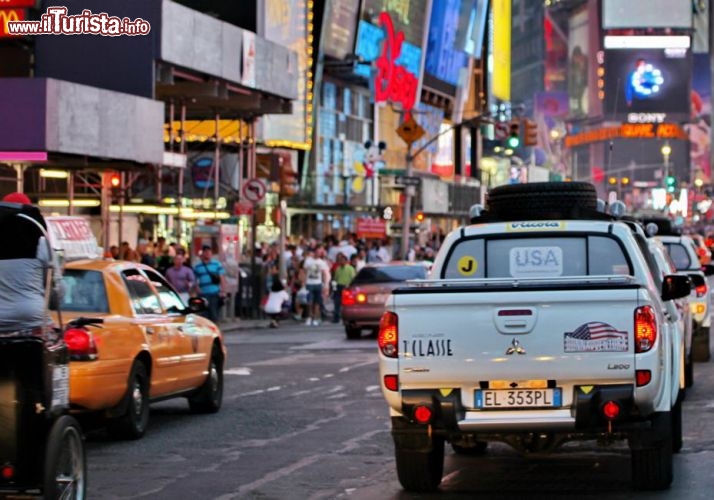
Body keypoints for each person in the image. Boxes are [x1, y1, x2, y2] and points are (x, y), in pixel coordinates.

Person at [193, 245, 227, 323]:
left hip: (214, 293)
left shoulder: (217, 264)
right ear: (203, 253)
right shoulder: (197, 266)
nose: (207, 253)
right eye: (205, 252)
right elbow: (195, 279)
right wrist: (197, 288)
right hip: (203, 294)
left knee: (214, 314)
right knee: (204, 315)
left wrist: (223, 291)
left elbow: (222, 278)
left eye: (209, 252)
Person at [302, 247, 330, 326]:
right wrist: (304, 282)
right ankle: (309, 317)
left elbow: (324, 273)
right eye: (317, 252)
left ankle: (315, 318)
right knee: (309, 302)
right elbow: (304, 272)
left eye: (320, 253)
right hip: (309, 283)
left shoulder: (322, 262)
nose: (318, 254)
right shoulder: (308, 261)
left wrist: (325, 284)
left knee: (317, 302)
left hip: (318, 283)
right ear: (314, 252)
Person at [332, 252, 355, 323]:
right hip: (339, 287)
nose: (340, 261)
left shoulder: (350, 268)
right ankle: (336, 318)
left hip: (347, 287)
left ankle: (348, 318)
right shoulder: (338, 269)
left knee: (347, 304)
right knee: (337, 303)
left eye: (342, 260)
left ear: (346, 261)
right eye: (339, 260)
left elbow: (353, 278)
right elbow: (335, 278)